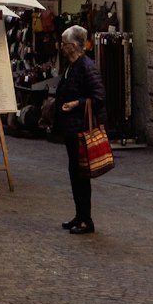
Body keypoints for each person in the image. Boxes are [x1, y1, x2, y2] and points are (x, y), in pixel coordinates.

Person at [50, 24, 106, 234]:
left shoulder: (86, 67)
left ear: (73, 46)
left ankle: (86, 219)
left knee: (82, 175)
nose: (62, 47)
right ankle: (79, 215)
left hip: (81, 130)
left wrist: (76, 104)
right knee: (75, 173)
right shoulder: (72, 66)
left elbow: (99, 97)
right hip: (71, 129)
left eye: (64, 44)